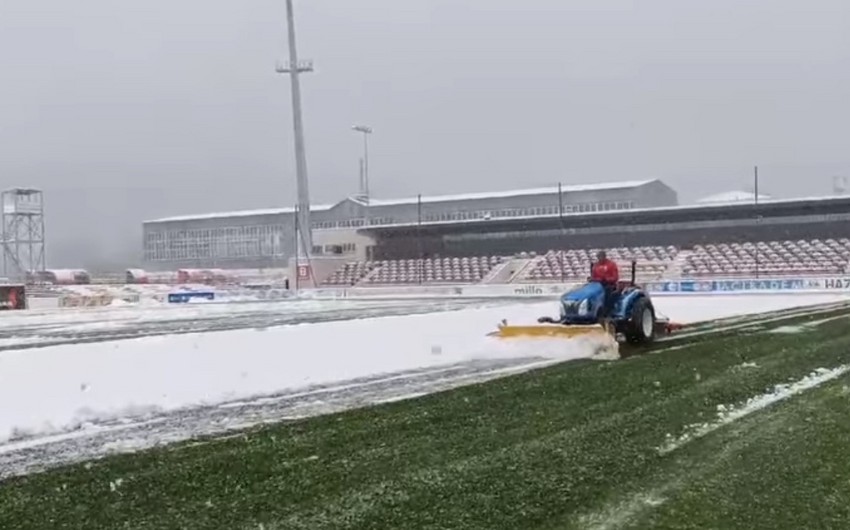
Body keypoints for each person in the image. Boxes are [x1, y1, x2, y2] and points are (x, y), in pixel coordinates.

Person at [590, 250, 619, 321]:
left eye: (601, 256)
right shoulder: (596, 266)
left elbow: (615, 277)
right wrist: (593, 279)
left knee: (606, 292)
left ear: (604, 256)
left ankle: (606, 311)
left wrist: (607, 279)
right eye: (598, 257)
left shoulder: (611, 265)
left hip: (609, 284)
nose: (600, 258)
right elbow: (593, 276)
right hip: (597, 284)